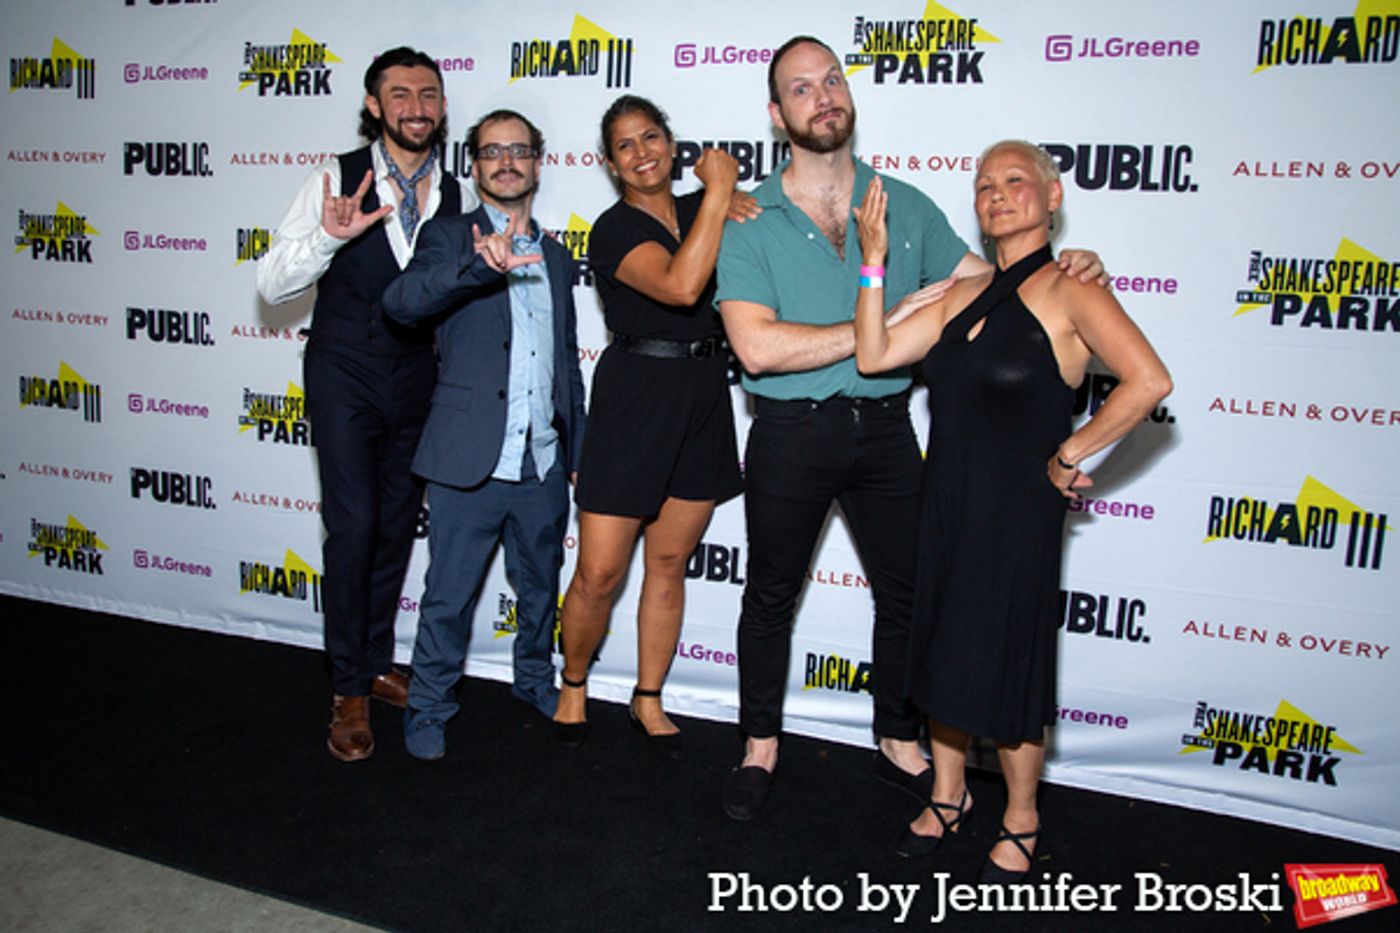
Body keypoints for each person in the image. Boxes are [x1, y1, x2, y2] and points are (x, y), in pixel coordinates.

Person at [714, 36, 1105, 819]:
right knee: (769, 595)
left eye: (831, 81)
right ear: (775, 113)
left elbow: (995, 288)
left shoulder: (904, 203)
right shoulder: (748, 217)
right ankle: (759, 744)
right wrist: (883, 323)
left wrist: (1067, 269)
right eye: (800, 88)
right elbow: (756, 346)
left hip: (889, 429)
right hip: (792, 432)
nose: (822, 96)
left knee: (912, 592)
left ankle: (897, 735)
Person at [852, 140, 1172, 879]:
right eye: (985, 184)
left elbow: (1148, 380)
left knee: (1012, 660)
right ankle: (948, 790)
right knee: (940, 645)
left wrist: (1070, 453)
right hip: (949, 498)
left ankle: (1022, 814)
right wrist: (872, 260)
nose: (997, 193)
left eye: (1015, 181)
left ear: (1052, 198)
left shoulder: (1073, 288)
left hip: (1017, 509)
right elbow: (873, 356)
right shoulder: (960, 293)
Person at [257, 47, 477, 762]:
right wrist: (328, 234)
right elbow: (272, 285)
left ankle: (376, 657)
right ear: (375, 105)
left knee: (391, 527)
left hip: (418, 376)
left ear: (442, 108)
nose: (417, 106)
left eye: (429, 94)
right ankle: (348, 685)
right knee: (352, 527)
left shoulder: (457, 195)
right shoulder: (333, 178)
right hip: (345, 368)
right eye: (400, 94)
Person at [380, 110, 586, 761]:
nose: (505, 161)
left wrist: (573, 451)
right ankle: (429, 704)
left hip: (542, 462)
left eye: (518, 149)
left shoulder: (555, 254)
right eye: (492, 151)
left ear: (536, 162)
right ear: (474, 165)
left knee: (540, 587)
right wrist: (478, 266)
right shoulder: (447, 236)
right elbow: (403, 302)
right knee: (447, 596)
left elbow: (564, 356)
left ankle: (532, 679)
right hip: (469, 458)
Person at [551, 96, 747, 756]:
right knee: (599, 573)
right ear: (610, 163)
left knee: (669, 563)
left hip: (702, 395)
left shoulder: (703, 210)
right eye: (626, 145)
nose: (642, 152)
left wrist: (722, 201)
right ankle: (573, 682)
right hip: (634, 396)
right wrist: (721, 188)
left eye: (651, 136)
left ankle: (648, 695)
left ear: (671, 142)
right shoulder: (610, 230)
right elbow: (682, 285)